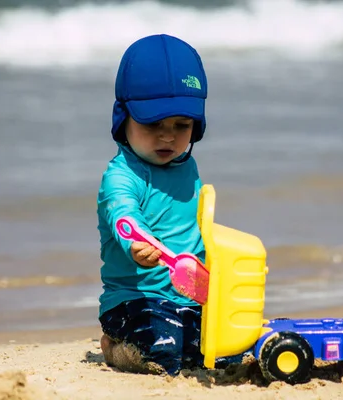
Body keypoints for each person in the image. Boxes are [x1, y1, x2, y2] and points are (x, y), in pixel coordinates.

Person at [96, 34, 234, 376]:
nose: (168, 136)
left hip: (191, 294)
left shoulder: (188, 168)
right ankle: (114, 345)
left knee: (224, 353)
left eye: (181, 125)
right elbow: (122, 213)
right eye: (153, 124)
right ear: (122, 117)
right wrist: (135, 242)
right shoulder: (122, 176)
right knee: (163, 353)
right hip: (136, 299)